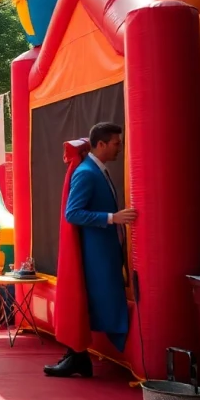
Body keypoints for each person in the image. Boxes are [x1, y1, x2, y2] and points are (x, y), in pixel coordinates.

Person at [46, 122, 137, 378]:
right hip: (94, 254)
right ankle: (76, 355)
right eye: (116, 143)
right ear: (101, 144)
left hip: (102, 251)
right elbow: (72, 213)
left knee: (94, 301)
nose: (120, 148)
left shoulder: (96, 170)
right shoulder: (87, 172)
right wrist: (112, 218)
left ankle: (77, 356)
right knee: (86, 300)